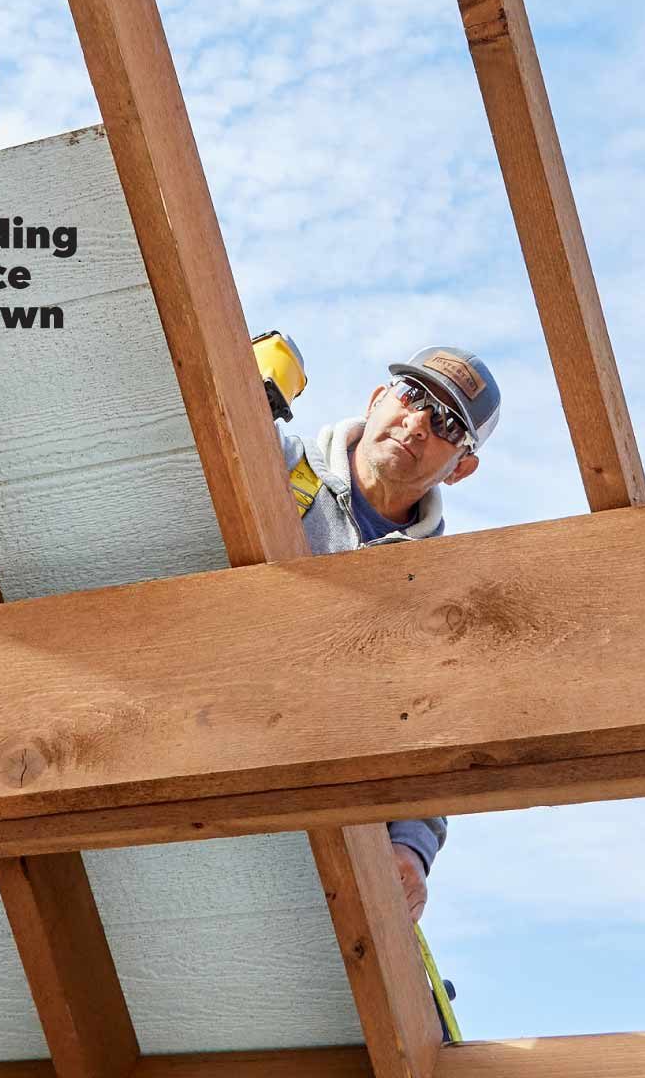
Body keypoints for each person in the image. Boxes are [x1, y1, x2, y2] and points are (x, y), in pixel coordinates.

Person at [258, 335, 501, 921]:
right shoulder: (273, 461)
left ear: (461, 468)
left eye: (446, 423)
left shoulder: (439, 595)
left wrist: (410, 849)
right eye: (412, 395)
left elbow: (431, 731)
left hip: (311, 817)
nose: (418, 423)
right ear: (376, 399)